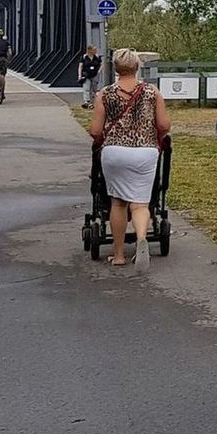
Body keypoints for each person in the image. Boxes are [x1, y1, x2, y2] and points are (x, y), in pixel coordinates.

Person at [88, 48, 171, 269]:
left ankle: (118, 255)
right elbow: (164, 126)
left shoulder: (104, 94)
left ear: (115, 68)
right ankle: (142, 238)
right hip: (145, 152)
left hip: (115, 152)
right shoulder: (153, 92)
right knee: (140, 203)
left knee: (118, 202)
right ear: (136, 67)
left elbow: (95, 131)